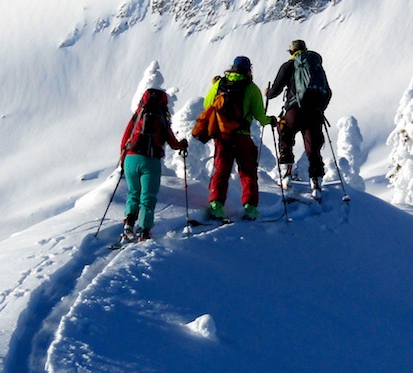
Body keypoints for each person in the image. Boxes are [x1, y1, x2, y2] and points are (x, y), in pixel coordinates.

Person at [194, 56, 275, 221]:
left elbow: (207, 105)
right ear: (248, 69)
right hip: (242, 136)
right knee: (248, 172)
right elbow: (260, 115)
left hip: (223, 136)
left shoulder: (220, 84)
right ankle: (250, 208)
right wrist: (271, 120)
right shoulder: (252, 88)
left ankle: (216, 205)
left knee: (221, 170)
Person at [266, 39, 332, 200]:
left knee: (285, 132)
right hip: (314, 112)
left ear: (291, 52)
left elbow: (275, 90)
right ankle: (316, 181)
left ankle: (287, 170)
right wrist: (319, 109)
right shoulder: (316, 66)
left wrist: (268, 93)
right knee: (313, 147)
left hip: (294, 110)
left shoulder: (288, 66)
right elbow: (328, 92)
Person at [119, 87, 188, 242]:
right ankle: (144, 231)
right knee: (148, 197)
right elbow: (172, 142)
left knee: (133, 193)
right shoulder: (162, 117)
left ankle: (128, 225)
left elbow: (126, 137)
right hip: (150, 161)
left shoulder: (138, 115)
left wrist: (123, 160)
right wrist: (182, 144)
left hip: (131, 158)